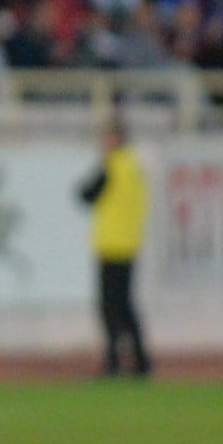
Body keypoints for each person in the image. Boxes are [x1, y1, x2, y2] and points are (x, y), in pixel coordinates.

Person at [78, 118, 152, 377]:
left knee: (109, 308)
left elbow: (86, 194)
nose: (103, 142)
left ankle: (114, 361)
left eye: (107, 137)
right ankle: (141, 361)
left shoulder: (113, 166)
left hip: (111, 244)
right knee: (126, 306)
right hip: (129, 243)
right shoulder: (134, 165)